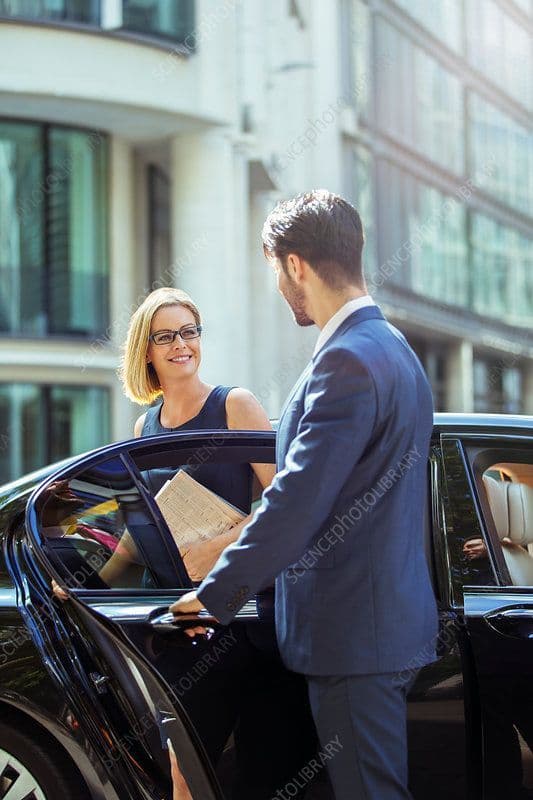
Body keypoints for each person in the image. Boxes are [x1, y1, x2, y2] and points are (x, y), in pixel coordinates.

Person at [171, 190, 439, 800]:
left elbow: (295, 500)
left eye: (275, 271)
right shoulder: (393, 349)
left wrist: (213, 596)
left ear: (294, 265)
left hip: (353, 636)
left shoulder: (346, 361)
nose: (279, 288)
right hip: (379, 625)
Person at [121, 286, 316, 799]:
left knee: (264, 773)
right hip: (186, 613)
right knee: (183, 771)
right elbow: (136, 536)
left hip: (249, 611)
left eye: (189, 331)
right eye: (165, 335)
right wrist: (79, 580)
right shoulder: (145, 425)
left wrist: (223, 543)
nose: (180, 344)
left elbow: (287, 505)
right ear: (146, 349)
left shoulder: (235, 404)